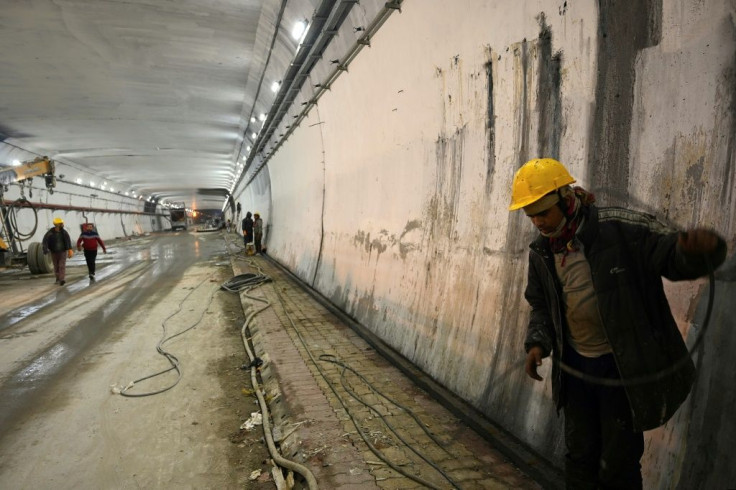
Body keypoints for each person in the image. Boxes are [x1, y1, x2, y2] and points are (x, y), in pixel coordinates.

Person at [509, 158, 727, 489]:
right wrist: (537, 342)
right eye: (532, 215)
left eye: (544, 212)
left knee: (619, 465)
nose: (538, 221)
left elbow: (670, 254)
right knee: (579, 457)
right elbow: (540, 303)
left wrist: (695, 252)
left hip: (621, 370)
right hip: (576, 370)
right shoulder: (541, 252)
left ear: (567, 201)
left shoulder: (621, 230)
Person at [42, 217, 74, 286]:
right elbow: (45, 241)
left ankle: (62, 279)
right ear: (57, 224)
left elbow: (68, 241)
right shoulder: (50, 233)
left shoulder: (64, 232)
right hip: (53, 252)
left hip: (62, 252)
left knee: (61, 265)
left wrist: (69, 250)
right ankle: (58, 278)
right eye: (61, 224)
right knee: (56, 266)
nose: (63, 224)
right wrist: (45, 249)